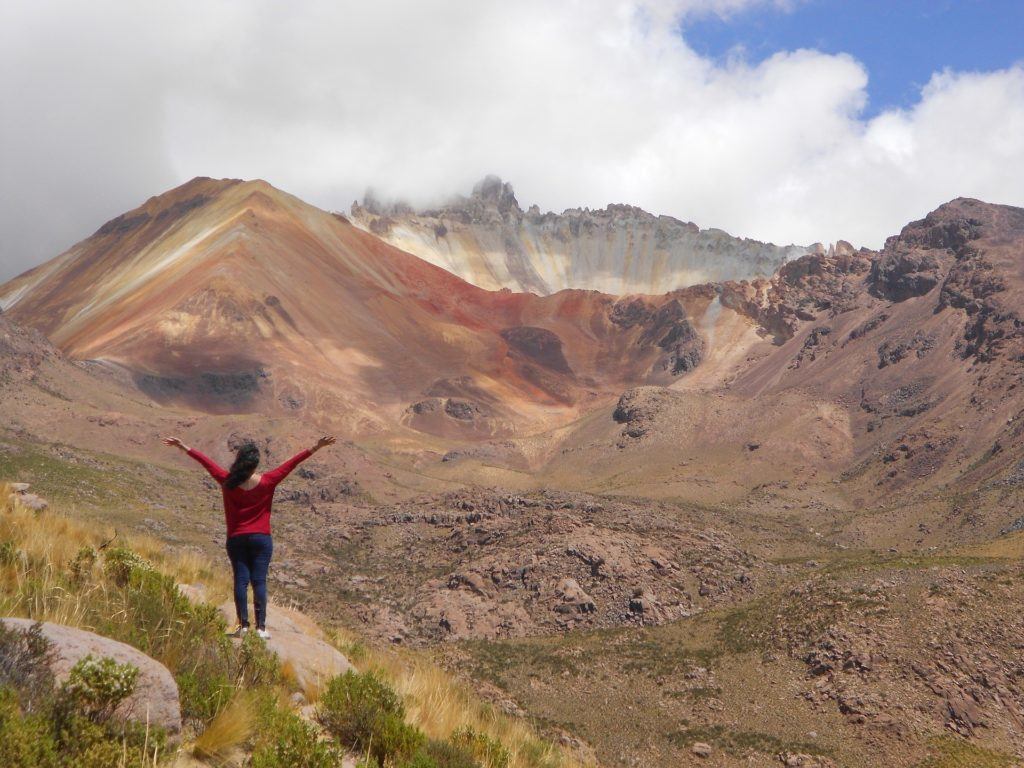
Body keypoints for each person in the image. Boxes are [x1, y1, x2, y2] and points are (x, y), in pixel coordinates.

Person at [162, 434, 336, 638]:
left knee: (241, 581)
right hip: (261, 539)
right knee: (259, 581)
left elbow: (206, 463)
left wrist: (184, 446)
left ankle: (243, 626)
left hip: (236, 539)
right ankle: (261, 628)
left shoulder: (227, 481)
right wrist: (316, 447)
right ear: (255, 464)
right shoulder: (268, 482)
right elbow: (291, 464)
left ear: (239, 462)